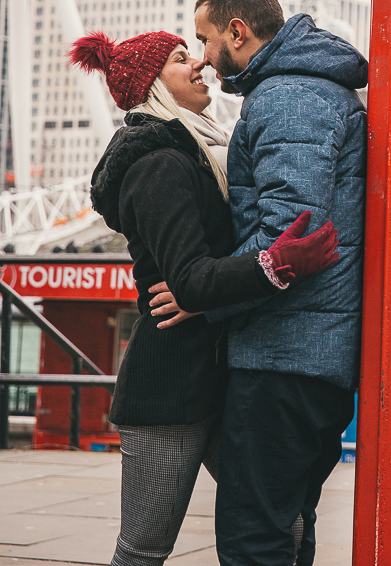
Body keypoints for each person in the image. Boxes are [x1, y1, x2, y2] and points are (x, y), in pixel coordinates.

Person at [69, 28, 338, 566]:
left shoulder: (191, 151)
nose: (198, 64)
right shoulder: (156, 165)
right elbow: (188, 281)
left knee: (276, 518)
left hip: (218, 375)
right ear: (152, 84)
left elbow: (195, 282)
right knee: (144, 550)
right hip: (168, 388)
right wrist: (275, 264)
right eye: (178, 57)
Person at [192, 0, 367, 566]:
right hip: (311, 356)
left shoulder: (289, 98)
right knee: (287, 528)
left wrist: (204, 295)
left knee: (252, 537)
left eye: (206, 39)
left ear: (237, 32)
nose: (204, 58)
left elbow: (291, 238)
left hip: (282, 356)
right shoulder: (312, 88)